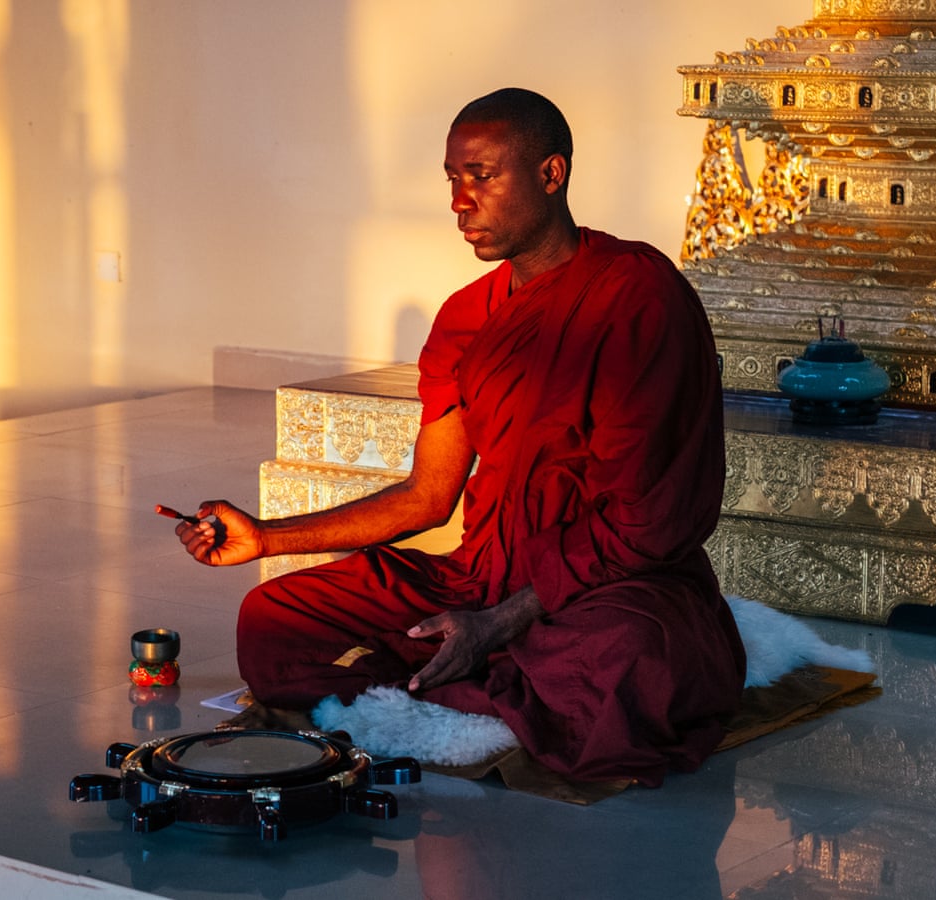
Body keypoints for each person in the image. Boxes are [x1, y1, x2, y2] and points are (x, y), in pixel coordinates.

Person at [176, 87, 746, 786]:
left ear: (550, 174)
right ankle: (485, 673)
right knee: (271, 617)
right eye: (452, 179)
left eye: (481, 175)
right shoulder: (465, 318)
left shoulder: (637, 294)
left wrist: (504, 621)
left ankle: (479, 666)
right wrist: (266, 537)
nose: (459, 202)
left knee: (627, 660)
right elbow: (428, 495)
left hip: (609, 582)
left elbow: (649, 522)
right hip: (483, 573)